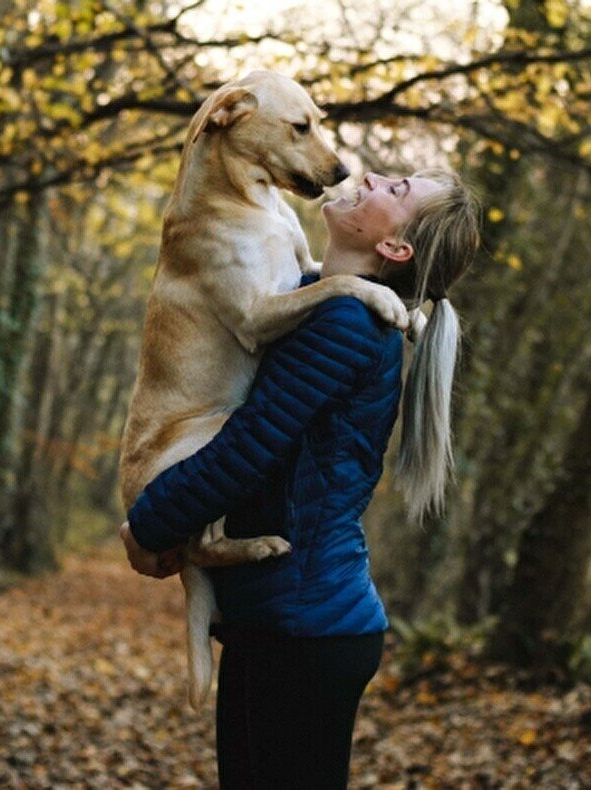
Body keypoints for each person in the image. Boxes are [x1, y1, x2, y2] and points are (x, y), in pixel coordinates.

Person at [119, 168, 480, 788]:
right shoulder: (314, 302)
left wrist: (148, 526)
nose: (372, 175)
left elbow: (250, 446)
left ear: (395, 249)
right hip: (281, 625)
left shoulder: (345, 326)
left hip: (308, 631)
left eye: (397, 190)